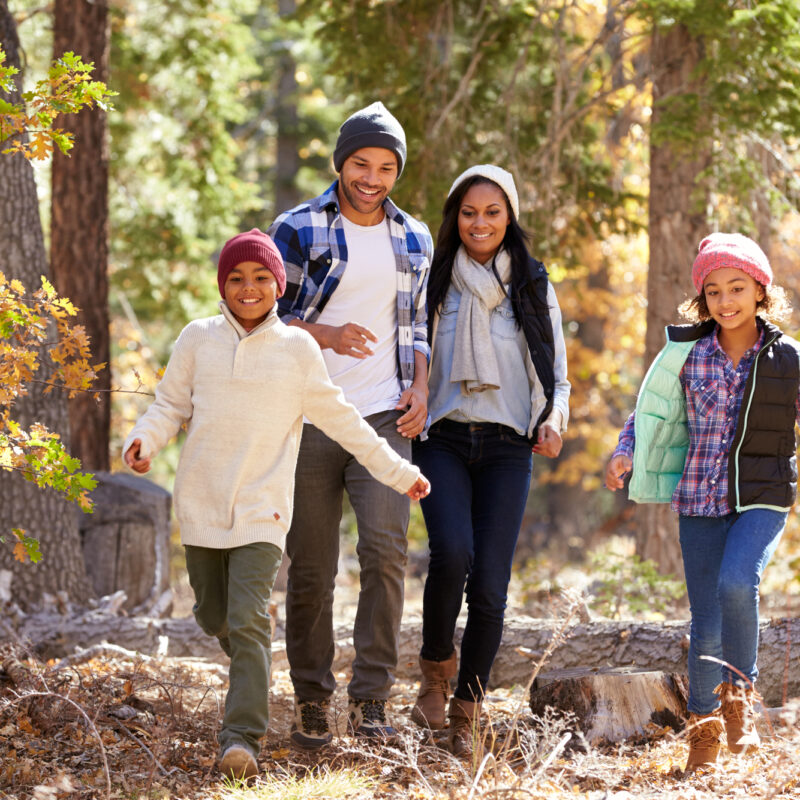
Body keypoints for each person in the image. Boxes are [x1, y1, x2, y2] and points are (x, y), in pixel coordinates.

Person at [122, 229, 430, 779]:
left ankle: (241, 736)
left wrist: (399, 472)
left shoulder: (297, 349)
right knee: (214, 614)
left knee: (246, 619)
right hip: (202, 506)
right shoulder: (198, 338)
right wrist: (144, 441)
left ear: (279, 284)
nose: (249, 288)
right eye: (237, 278)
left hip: (264, 510)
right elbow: (168, 405)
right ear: (222, 285)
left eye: (262, 278)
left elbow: (345, 421)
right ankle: (249, 672)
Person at [267, 101, 433, 749]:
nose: (372, 177)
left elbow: (417, 326)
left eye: (386, 167)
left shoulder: (413, 237)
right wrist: (328, 332)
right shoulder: (299, 227)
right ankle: (312, 698)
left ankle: (371, 702)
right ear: (341, 163)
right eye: (361, 163)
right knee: (311, 566)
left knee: (387, 556)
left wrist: (419, 387)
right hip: (308, 415)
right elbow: (262, 316)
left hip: (385, 419)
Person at [605, 232, 799, 775]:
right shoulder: (687, 354)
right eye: (713, 291)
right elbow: (650, 413)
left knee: (738, 582)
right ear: (703, 299)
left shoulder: (787, 357)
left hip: (762, 497)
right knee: (707, 616)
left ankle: (740, 704)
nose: (725, 301)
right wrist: (627, 452)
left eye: (737, 287)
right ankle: (704, 736)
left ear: (760, 290)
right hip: (699, 497)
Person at [410, 165, 571, 756]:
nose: (480, 223)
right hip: (442, 436)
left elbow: (555, 368)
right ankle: (434, 671)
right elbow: (410, 352)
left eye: (493, 212)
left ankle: (468, 705)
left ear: (510, 217)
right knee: (452, 553)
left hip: (509, 444)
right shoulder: (433, 280)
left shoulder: (531, 281)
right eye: (469, 212)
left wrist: (554, 417)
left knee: (494, 588)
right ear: (455, 217)